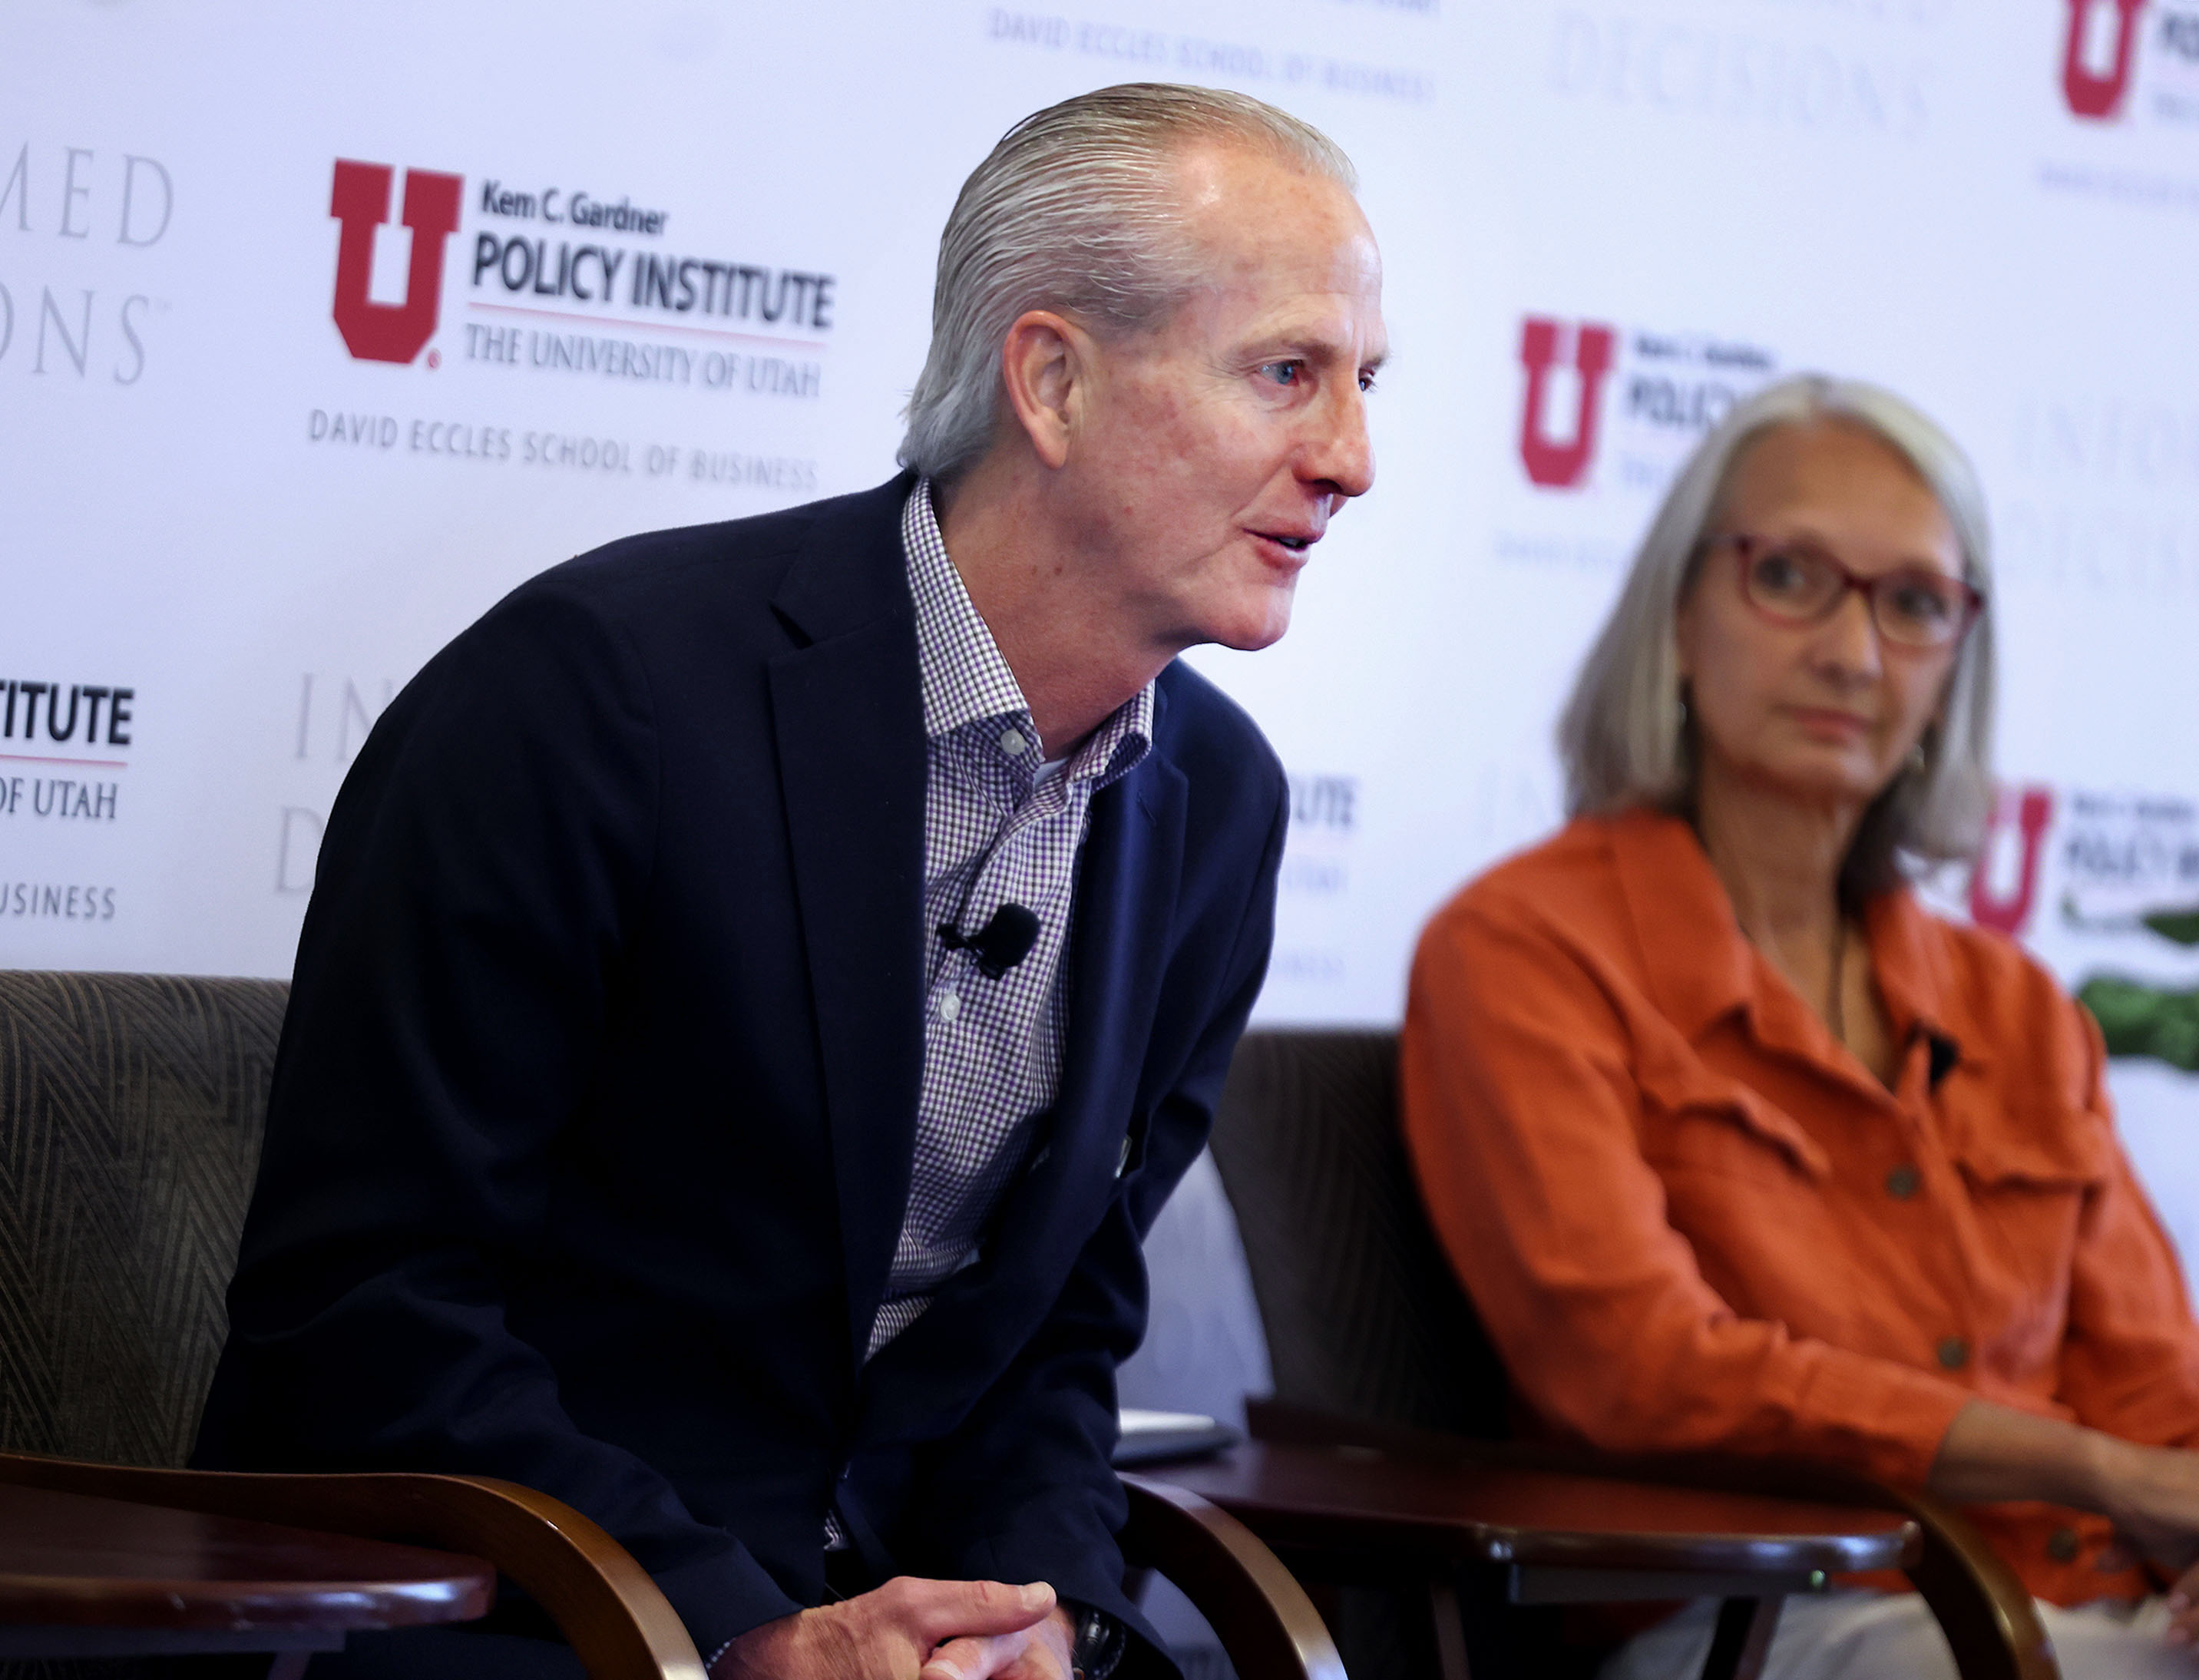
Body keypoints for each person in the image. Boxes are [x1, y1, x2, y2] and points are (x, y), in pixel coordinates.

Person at [194, 82, 1383, 1680]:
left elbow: (1059, 1335)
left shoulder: (1217, 803)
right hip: (528, 1604)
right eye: (1288, 374)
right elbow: (362, 1308)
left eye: (1366, 385)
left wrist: (1044, 1617)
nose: (1353, 459)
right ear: (1053, 380)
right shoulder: (598, 695)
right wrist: (743, 1627)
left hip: (894, 1617)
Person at [1402, 374, 2199, 1678]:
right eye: (1790, 577)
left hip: (2094, 1610)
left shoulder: (2018, 1008)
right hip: (1764, 1616)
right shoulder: (1523, 950)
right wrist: (2098, 1471)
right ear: (1678, 614)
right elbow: (1644, 1371)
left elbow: (2158, 1385)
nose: (1852, 653)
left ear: (1955, 666)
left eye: (1915, 605)